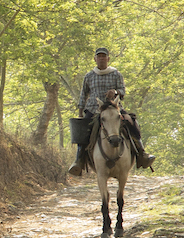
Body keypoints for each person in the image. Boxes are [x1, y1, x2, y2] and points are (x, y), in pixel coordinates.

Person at [67, 46, 156, 177]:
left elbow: (123, 91)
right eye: (99, 56)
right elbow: (83, 94)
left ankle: (142, 153)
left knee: (131, 122)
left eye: (104, 56)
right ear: (95, 59)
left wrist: (115, 92)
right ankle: (78, 160)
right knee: (82, 130)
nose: (101, 58)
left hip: (114, 107)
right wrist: (81, 112)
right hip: (94, 109)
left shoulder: (116, 74)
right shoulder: (89, 76)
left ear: (108, 59)